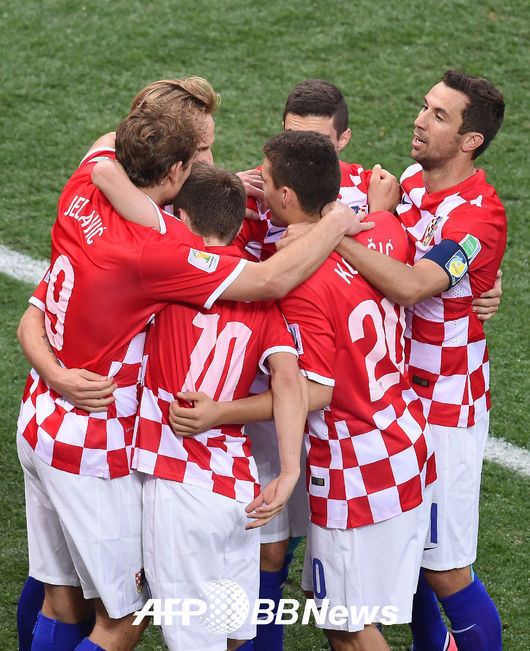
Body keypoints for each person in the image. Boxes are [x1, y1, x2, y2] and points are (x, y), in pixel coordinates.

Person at [16, 96, 371, 651]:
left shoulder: (85, 183)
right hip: (107, 452)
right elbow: (273, 292)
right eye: (200, 151)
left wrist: (56, 375)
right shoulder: (165, 260)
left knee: (60, 594)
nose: (208, 158)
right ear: (175, 172)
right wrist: (338, 225)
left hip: (43, 415)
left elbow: (32, 312)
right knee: (128, 619)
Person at [279, 70, 506, 651]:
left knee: (445, 570)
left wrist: (332, 234)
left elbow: (410, 285)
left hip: (447, 407)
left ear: (471, 140)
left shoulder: (477, 217)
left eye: (438, 115)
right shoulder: (406, 183)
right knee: (412, 567)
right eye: (424, 106)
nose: (419, 120)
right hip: (397, 401)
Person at [106, 160, 306, 649]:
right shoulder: (260, 291)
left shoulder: (167, 269)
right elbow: (289, 379)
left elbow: (110, 180)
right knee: (232, 635)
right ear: (238, 225)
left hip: (180, 486)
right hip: (240, 490)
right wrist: (288, 471)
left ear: (181, 217)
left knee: (193, 640)